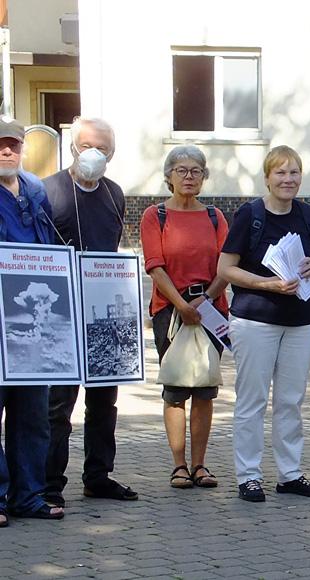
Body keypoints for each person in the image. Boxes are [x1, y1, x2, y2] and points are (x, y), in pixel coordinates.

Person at [218, 146, 310, 502]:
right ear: (267, 177)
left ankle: (290, 473)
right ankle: (248, 475)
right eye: (280, 173)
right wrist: (268, 284)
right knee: (251, 400)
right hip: (255, 319)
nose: (288, 179)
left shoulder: (307, 214)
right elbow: (225, 270)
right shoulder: (250, 215)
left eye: (294, 173)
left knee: (291, 401)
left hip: (301, 320)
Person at [42, 117, 137, 506]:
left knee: (103, 402)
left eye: (102, 148)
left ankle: (98, 475)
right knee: (58, 405)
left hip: (103, 313)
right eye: (86, 146)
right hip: (61, 315)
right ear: (72, 148)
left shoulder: (115, 194)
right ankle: (49, 484)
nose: (94, 154)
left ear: (111, 154)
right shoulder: (47, 191)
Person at [140, 145, 229, 490]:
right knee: (176, 388)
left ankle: (201, 465)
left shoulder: (215, 217)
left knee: (205, 388)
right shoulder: (155, 215)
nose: (189, 177)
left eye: (196, 171)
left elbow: (226, 264)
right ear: (169, 177)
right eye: (181, 170)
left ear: (204, 177)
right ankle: (179, 466)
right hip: (170, 311)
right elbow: (155, 266)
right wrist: (181, 305)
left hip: (211, 310)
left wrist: (205, 301)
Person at [0, 118, 65, 525]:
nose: (7, 152)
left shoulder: (35, 192)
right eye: (0, 146)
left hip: (34, 321)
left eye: (13, 146)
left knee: (33, 414)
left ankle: (29, 495)